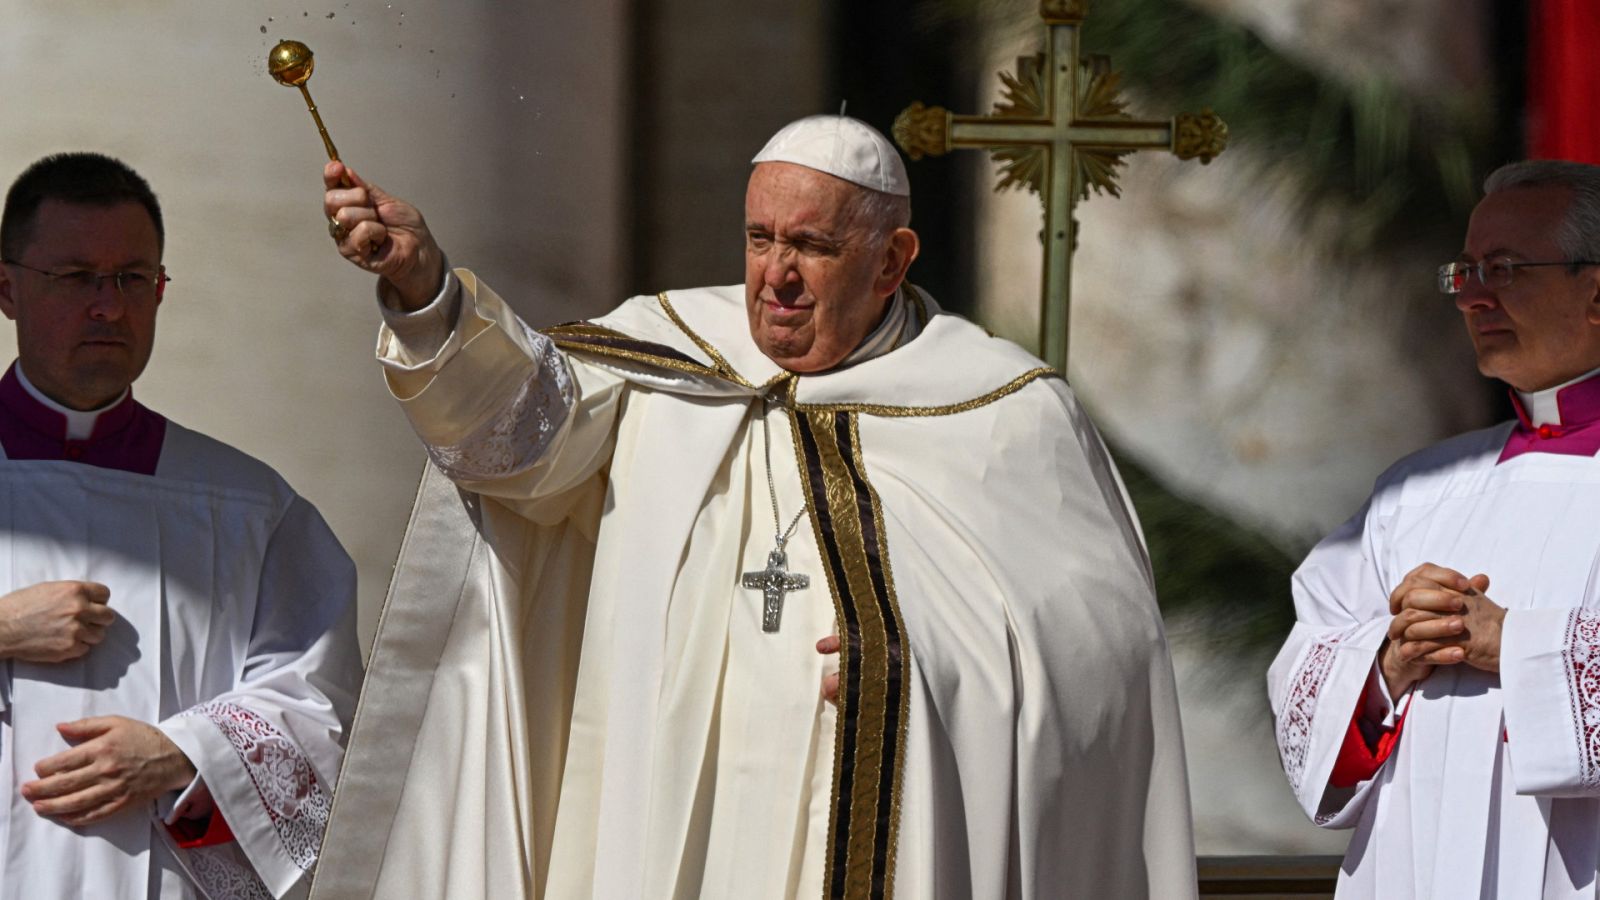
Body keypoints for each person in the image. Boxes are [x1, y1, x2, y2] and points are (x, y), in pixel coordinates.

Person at [315, 115, 1195, 899]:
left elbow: (1103, 661)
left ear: (892, 260)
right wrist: (427, 294)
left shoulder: (1005, 411)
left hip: (881, 819)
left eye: (812, 244)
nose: (776, 277)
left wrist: (927, 666)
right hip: (667, 822)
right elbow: (518, 440)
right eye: (758, 238)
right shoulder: (665, 358)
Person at [0, 153, 361, 899]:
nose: (109, 305)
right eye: (74, 278)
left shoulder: (248, 506)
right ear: (7, 288)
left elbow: (325, 712)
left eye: (135, 279)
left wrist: (187, 753)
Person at [1268, 159, 1600, 898]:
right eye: (1466, 272)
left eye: (1506, 268)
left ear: (1596, 288)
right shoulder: (1417, 492)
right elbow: (1306, 674)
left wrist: (1511, 642)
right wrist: (1387, 660)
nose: (1473, 297)